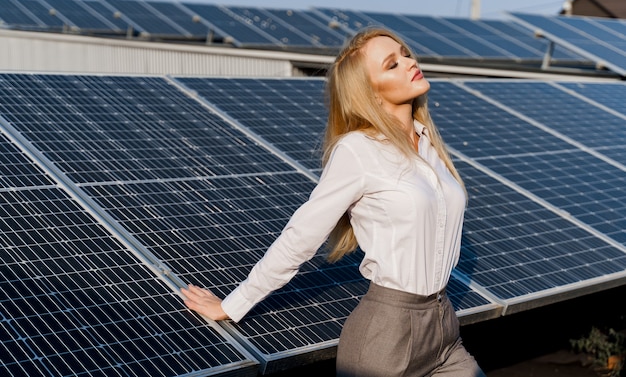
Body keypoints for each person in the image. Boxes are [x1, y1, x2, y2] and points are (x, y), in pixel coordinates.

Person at [181, 27, 486, 377]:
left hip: (444, 329)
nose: (410, 62)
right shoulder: (358, 151)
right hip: (386, 339)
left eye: (405, 53)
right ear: (370, 93)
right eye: (392, 64)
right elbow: (301, 236)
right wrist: (232, 305)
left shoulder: (428, 144)